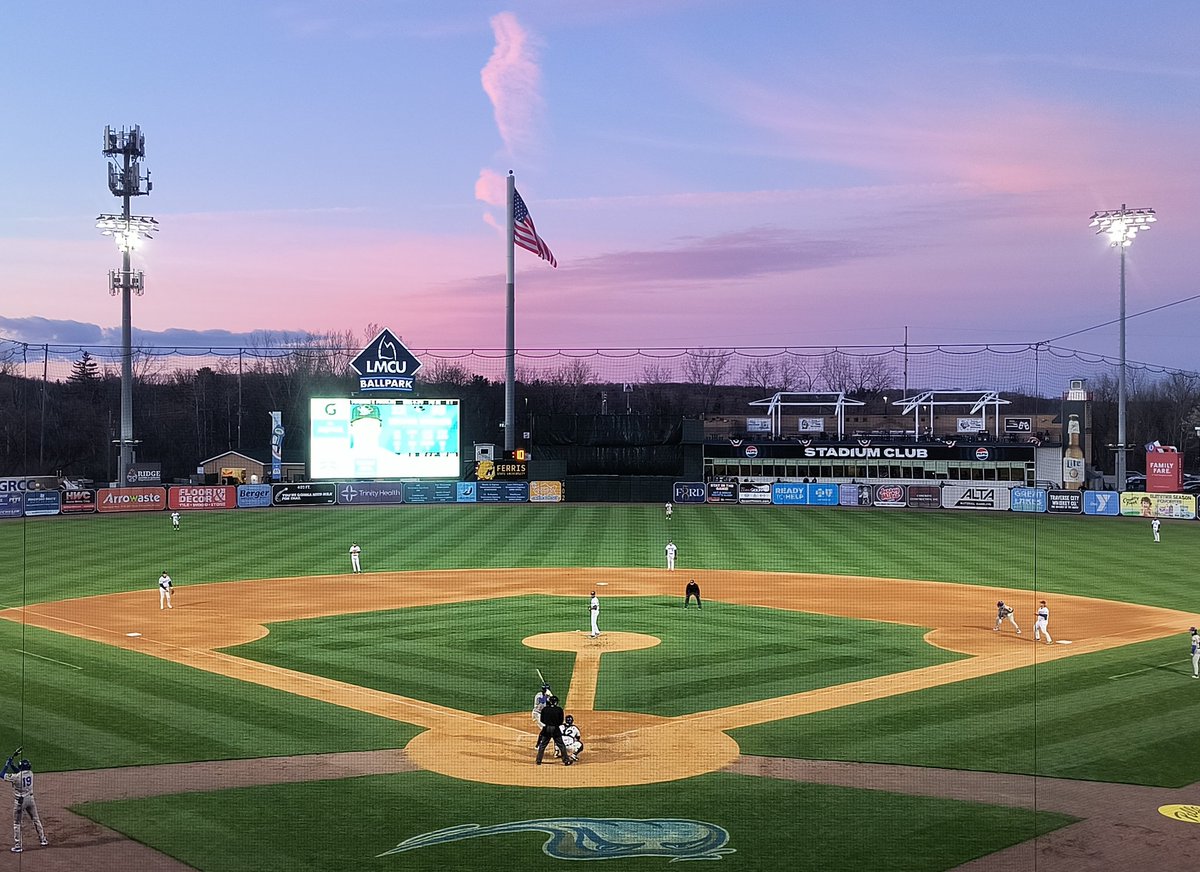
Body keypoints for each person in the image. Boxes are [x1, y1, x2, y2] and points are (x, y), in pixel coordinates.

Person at [3, 752, 47, 853]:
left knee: (16, 823)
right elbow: (20, 773)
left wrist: (7, 765)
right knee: (36, 819)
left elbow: (2, 775)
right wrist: (12, 765)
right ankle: (43, 839)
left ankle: (18, 846)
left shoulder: (16, 777)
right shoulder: (31, 774)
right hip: (30, 800)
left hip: (20, 802)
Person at [534, 695, 571, 765]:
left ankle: (538, 760)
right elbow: (561, 721)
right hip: (555, 729)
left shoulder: (545, 709)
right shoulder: (559, 709)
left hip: (546, 728)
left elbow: (542, 720)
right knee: (561, 745)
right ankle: (566, 761)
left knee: (542, 745)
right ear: (556, 702)